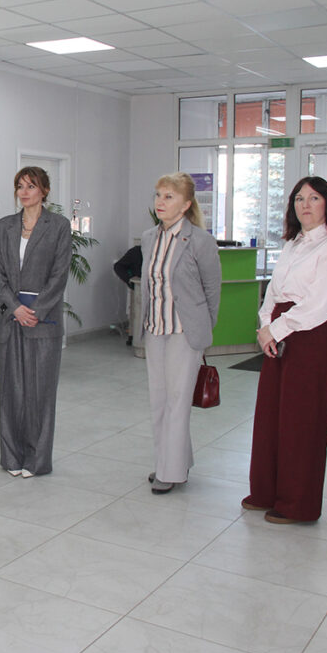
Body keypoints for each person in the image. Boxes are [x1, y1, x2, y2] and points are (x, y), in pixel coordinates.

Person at [243, 176, 327, 524]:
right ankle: (266, 492)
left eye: (314, 198)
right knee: (271, 417)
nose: (305, 204)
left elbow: (318, 306)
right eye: (299, 198)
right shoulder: (293, 243)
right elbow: (273, 293)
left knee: (302, 423)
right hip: (281, 332)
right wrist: (265, 327)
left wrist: (274, 329)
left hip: (314, 338)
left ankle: (296, 504)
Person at [140, 172, 221, 494]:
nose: (160, 202)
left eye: (169, 197)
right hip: (155, 329)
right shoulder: (149, 237)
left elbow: (212, 289)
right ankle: (172, 461)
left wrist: (203, 329)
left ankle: (170, 472)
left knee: (177, 401)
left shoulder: (200, 241)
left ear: (186, 205)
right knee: (159, 400)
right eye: (158, 195)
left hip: (184, 332)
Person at [0, 166, 71, 477]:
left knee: (40, 395)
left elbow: (59, 275)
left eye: (31, 186)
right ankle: (11, 458)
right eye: (20, 186)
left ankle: (36, 461)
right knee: (11, 393)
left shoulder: (59, 226)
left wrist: (34, 310)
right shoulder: (4, 226)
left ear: (44, 191)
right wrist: (15, 308)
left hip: (42, 321)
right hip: (10, 319)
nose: (24, 192)